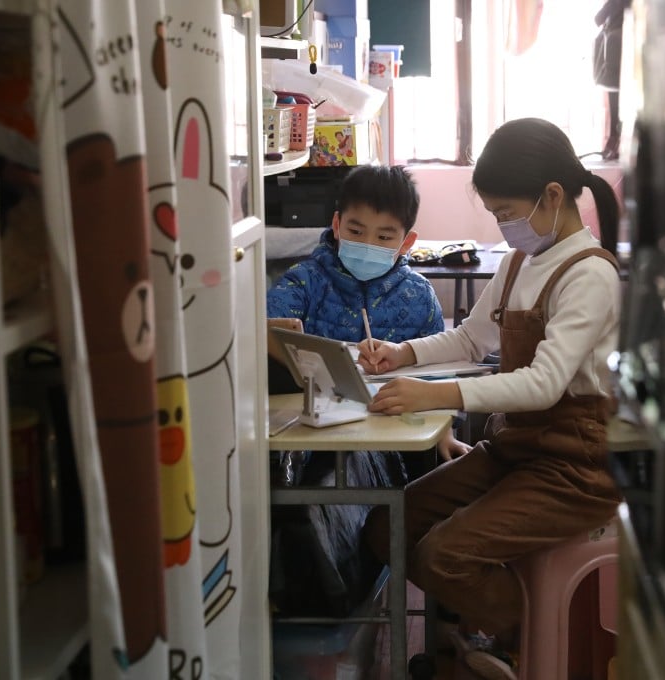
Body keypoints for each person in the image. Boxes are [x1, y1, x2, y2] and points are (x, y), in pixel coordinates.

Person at [359, 118, 623, 680]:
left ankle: (521, 640)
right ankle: (483, 628)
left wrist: (434, 395)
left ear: (552, 196)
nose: (504, 228)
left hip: (576, 465)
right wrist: (400, 354)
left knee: (441, 555)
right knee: (388, 530)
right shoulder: (519, 262)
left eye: (507, 213)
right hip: (519, 447)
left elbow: (544, 384)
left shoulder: (590, 275)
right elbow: (469, 337)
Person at [266, 165, 470, 619]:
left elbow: (439, 377)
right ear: (336, 225)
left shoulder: (419, 297)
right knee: (305, 491)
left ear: (407, 242)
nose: (368, 245)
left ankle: (419, 612)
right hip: (313, 434)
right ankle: (316, 594)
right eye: (356, 231)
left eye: (384, 237)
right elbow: (267, 334)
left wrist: (444, 435)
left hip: (393, 433)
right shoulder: (306, 280)